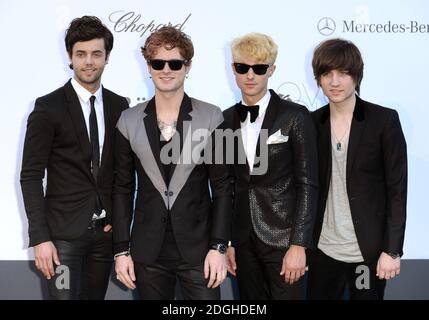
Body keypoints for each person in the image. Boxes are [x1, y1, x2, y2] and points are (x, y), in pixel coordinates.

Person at [113, 26, 232, 300]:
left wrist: (219, 247)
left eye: (175, 63)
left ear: (187, 66)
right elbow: (121, 188)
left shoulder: (212, 117)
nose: (166, 70)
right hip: (148, 252)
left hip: (200, 251)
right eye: (158, 63)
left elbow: (224, 188)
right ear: (149, 66)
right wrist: (121, 250)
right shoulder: (128, 121)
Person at [20, 16, 129, 299]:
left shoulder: (120, 106)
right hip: (62, 239)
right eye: (81, 54)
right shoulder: (48, 107)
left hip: (103, 237)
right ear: (70, 56)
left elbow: (121, 174)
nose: (89, 61)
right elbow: (31, 176)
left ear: (107, 57)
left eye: (96, 54)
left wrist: (117, 225)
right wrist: (41, 238)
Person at [307, 38, 407, 300]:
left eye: (343, 73)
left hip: (368, 254)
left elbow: (397, 190)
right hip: (322, 251)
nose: (335, 82)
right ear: (318, 78)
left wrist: (392, 250)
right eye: (327, 74)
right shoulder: (311, 123)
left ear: (357, 75)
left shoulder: (383, 120)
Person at [222, 33, 318, 300]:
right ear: (234, 70)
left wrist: (299, 244)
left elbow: (308, 183)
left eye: (259, 68)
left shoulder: (295, 116)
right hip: (243, 241)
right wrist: (229, 242)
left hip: (284, 239)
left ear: (271, 70)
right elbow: (229, 184)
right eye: (243, 68)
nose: (250, 75)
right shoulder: (225, 119)